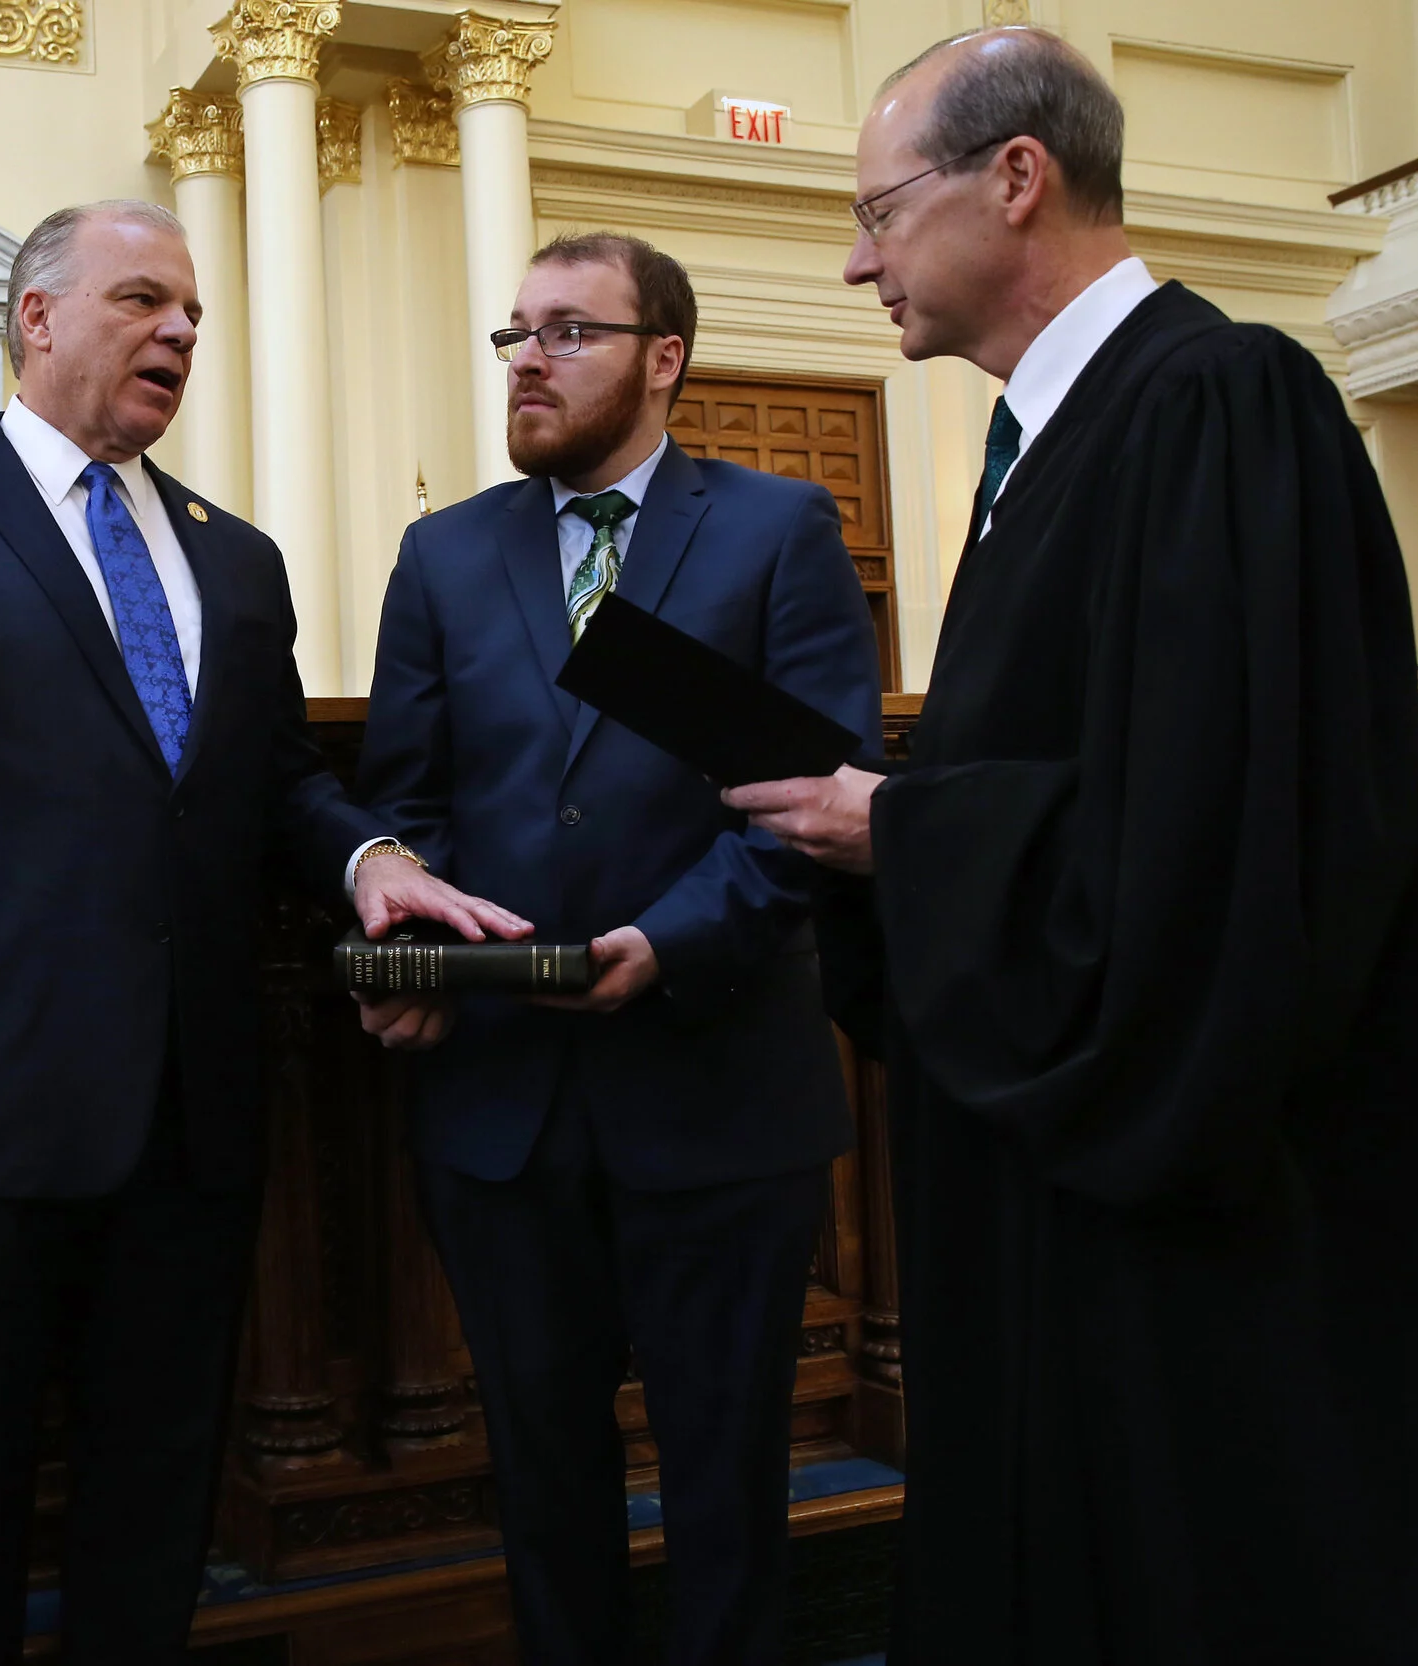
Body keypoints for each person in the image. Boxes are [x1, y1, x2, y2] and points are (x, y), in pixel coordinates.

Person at [724, 28, 1418, 1663]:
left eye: (878, 211)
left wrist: (902, 826)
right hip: (1056, 1183)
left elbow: (1228, 831)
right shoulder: (1051, 448)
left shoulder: (1219, 401)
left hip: (1190, 1212)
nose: (858, 261)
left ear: (1016, 178)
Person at [0, 199, 527, 1664]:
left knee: (155, 1499)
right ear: (37, 316)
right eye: (143, 300)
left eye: (193, 314)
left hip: (193, 1097)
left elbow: (276, 777)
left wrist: (374, 858)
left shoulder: (236, 556)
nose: (179, 333)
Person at [351, 234, 881, 1666]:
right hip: (505, 1092)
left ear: (664, 356)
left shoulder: (777, 529)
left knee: (728, 1478)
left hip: (716, 1077)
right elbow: (405, 799)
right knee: (541, 1478)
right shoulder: (447, 552)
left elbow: (821, 795)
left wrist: (674, 934)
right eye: (513, 334)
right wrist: (403, 919)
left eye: (567, 332)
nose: (527, 357)